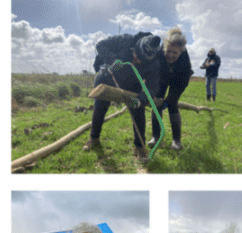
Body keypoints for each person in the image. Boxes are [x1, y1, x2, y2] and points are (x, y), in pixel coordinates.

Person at [83, 32, 161, 160]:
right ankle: (94, 138)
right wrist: (113, 59)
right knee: (100, 107)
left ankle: (139, 146)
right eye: (136, 56)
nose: (137, 61)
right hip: (108, 76)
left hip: (133, 82)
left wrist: (141, 99)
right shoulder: (125, 40)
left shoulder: (154, 63)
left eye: (141, 61)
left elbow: (152, 87)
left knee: (138, 111)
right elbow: (100, 45)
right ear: (135, 47)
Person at [148, 28, 193, 151]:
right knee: (157, 104)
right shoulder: (157, 54)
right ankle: (156, 137)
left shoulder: (184, 60)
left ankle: (176, 141)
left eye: (175, 53)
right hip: (161, 78)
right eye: (169, 51)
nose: (171, 55)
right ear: (164, 48)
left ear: (181, 52)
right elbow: (151, 73)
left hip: (177, 79)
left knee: (172, 104)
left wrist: (170, 99)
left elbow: (183, 82)